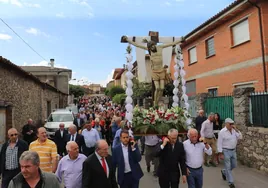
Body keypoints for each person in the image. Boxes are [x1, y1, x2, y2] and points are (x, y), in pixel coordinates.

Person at [122, 35, 183, 106]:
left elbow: (171, 44)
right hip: (154, 71)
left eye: (153, 46)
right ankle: (155, 104)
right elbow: (138, 45)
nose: (152, 48)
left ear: (154, 44)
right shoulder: (150, 50)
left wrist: (180, 40)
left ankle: (157, 101)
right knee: (157, 88)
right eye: (150, 47)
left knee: (162, 88)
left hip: (161, 70)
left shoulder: (160, 47)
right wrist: (128, 40)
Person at [217, 118, 242, 188]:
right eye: (230, 124)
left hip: (233, 150)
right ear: (226, 124)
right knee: (228, 166)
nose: (232, 125)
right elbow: (219, 143)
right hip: (226, 151)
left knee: (234, 165)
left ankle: (224, 171)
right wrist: (220, 153)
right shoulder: (222, 132)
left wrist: (236, 129)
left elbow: (240, 137)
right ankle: (231, 182)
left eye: (232, 124)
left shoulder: (234, 131)